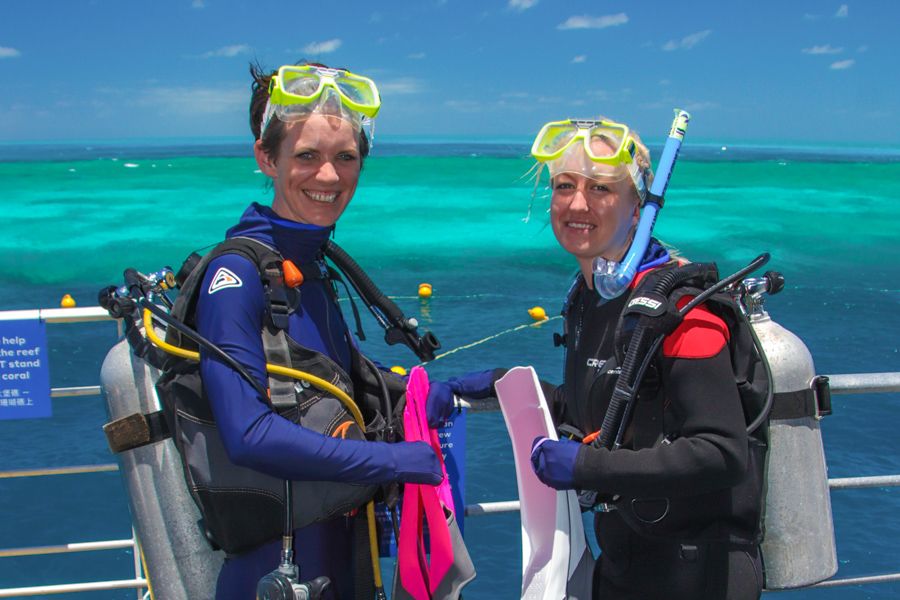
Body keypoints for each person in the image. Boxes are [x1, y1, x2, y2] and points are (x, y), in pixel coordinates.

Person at [429, 117, 764, 599]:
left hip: (696, 573)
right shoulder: (590, 297)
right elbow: (612, 411)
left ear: (637, 206)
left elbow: (722, 453)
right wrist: (505, 386)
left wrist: (588, 468)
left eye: (601, 188)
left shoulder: (684, 311)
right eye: (565, 186)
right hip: (625, 562)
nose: (577, 204)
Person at [189, 62, 443, 599]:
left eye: (345, 158)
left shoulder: (309, 264)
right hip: (275, 570)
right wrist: (394, 460)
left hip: (341, 557)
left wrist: (456, 391)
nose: (329, 177)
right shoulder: (236, 278)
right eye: (306, 156)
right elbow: (248, 433)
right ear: (266, 157)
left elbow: (332, 381)